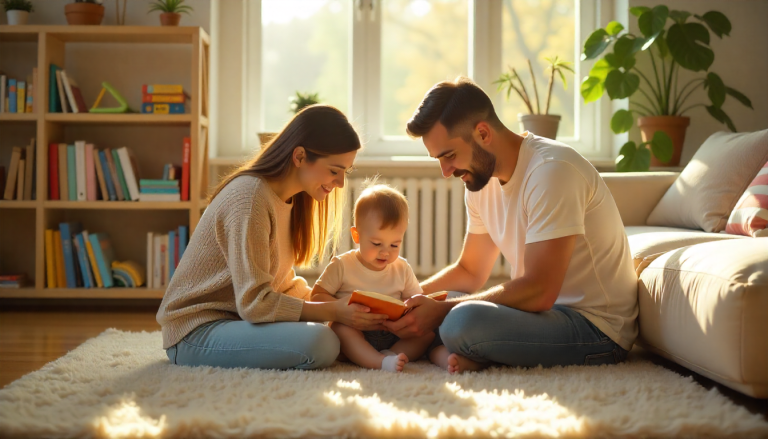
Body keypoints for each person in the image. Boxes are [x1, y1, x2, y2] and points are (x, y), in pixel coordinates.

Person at [385, 77, 638, 374]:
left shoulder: (551, 171)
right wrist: (404, 297)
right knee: (444, 301)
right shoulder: (480, 183)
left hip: (594, 328)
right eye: (439, 160)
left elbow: (540, 289)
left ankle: (464, 347)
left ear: (482, 133)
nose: (445, 171)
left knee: (458, 320)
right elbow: (470, 271)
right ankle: (470, 351)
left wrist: (441, 312)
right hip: (539, 315)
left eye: (449, 156)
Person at [156, 105, 390, 370]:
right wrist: (333, 310)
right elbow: (255, 304)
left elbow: (281, 284)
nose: (340, 184)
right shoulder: (250, 199)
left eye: (344, 173)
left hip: (235, 322)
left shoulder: (287, 199)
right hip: (194, 333)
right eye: (334, 170)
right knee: (322, 342)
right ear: (300, 156)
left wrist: (349, 303)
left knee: (342, 332)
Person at [310, 181, 434, 372]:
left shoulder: (402, 267)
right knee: (338, 329)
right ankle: (379, 362)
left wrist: (410, 312)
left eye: (394, 245)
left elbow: (416, 300)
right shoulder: (342, 265)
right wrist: (342, 310)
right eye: (376, 243)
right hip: (355, 329)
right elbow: (316, 296)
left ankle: (390, 355)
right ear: (356, 235)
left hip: (392, 333)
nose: (385, 252)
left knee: (426, 334)